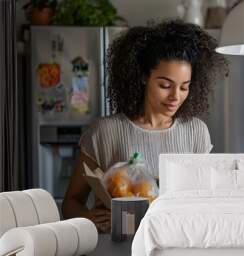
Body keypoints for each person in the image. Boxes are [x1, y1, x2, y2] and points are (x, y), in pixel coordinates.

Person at [62, 20, 227, 233]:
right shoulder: (105, 132)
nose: (175, 97)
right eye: (165, 86)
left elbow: (203, 201)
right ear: (142, 77)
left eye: (184, 87)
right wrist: (89, 217)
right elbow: (70, 203)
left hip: (176, 247)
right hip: (117, 251)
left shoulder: (196, 132)